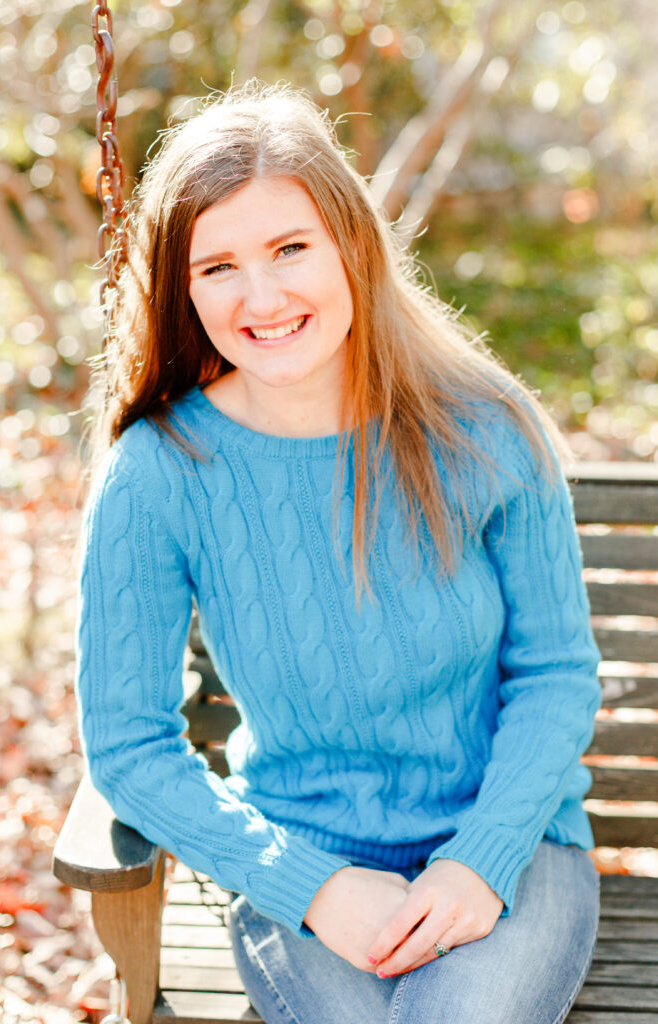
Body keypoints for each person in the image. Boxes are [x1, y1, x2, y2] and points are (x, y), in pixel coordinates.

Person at [75, 82, 601, 1024]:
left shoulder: (483, 425)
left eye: (289, 248)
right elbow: (129, 745)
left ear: (351, 247)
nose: (262, 296)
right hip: (304, 864)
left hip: (511, 847)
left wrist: (477, 861)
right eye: (218, 266)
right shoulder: (161, 473)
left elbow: (556, 673)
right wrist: (310, 885)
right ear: (183, 289)